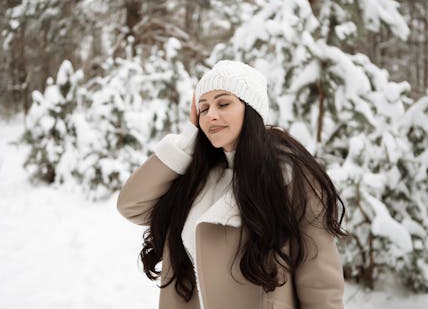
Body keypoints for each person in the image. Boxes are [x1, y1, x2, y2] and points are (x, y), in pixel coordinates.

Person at [117, 60, 347, 309]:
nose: (211, 115)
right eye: (203, 109)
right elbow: (131, 205)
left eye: (223, 103)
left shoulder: (288, 174)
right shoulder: (195, 178)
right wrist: (187, 140)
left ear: (251, 109)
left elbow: (320, 283)